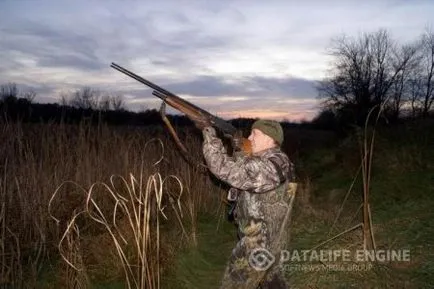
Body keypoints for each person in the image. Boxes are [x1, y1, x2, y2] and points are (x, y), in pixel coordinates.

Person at [199, 119, 295, 289]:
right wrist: (237, 148)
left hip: (259, 246)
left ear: (269, 138)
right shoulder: (267, 160)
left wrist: (208, 132)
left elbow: (227, 169)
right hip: (269, 243)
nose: (249, 137)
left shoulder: (277, 163)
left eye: (254, 133)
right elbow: (247, 172)